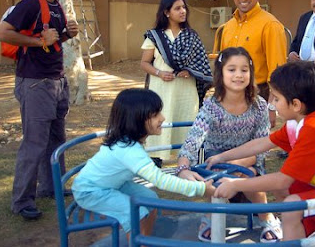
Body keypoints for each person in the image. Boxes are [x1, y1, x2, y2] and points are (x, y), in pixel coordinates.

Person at [206, 61, 315, 241]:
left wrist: (235, 185)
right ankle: (296, 232)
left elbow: (282, 180)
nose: (272, 103)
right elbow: (263, 143)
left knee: (291, 206)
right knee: (287, 194)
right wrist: (223, 155)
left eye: (277, 99)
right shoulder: (298, 124)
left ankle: (294, 233)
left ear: (296, 105)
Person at [0, 0, 79, 220]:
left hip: (56, 81)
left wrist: (67, 34)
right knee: (34, 142)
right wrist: (38, 42)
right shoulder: (31, 2)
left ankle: (51, 187)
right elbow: (2, 32)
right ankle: (21, 201)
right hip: (35, 83)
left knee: (56, 139)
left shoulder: (56, 5)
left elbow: (49, 41)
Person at [72, 89, 215, 241]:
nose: (162, 118)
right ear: (136, 120)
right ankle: (138, 242)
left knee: (151, 199)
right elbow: (160, 180)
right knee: (135, 214)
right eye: (155, 115)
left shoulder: (128, 142)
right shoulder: (128, 151)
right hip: (90, 191)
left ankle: (144, 239)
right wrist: (200, 189)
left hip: (113, 184)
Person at [177, 47, 282, 243]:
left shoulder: (258, 105)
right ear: (221, 73)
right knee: (212, 176)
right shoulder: (211, 106)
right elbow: (194, 139)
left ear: (251, 73)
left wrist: (238, 164)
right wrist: (183, 167)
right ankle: (211, 216)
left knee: (247, 174)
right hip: (214, 161)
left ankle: (267, 218)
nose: (238, 75)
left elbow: (261, 146)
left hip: (249, 159)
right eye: (231, 69)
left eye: (244, 70)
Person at [213, 0, 287, 128]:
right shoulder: (228, 26)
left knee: (251, 150)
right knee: (229, 147)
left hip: (256, 96)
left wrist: (271, 107)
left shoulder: (270, 25)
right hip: (227, 96)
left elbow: (277, 71)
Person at [140, 0, 212, 158]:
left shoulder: (192, 36)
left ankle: (187, 160)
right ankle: (156, 159)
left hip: (186, 90)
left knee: (186, 122)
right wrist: (159, 73)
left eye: (184, 7)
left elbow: (202, 64)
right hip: (161, 88)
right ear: (167, 12)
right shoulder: (155, 36)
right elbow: (144, 63)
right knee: (159, 121)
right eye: (177, 8)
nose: (183, 11)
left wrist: (190, 70)